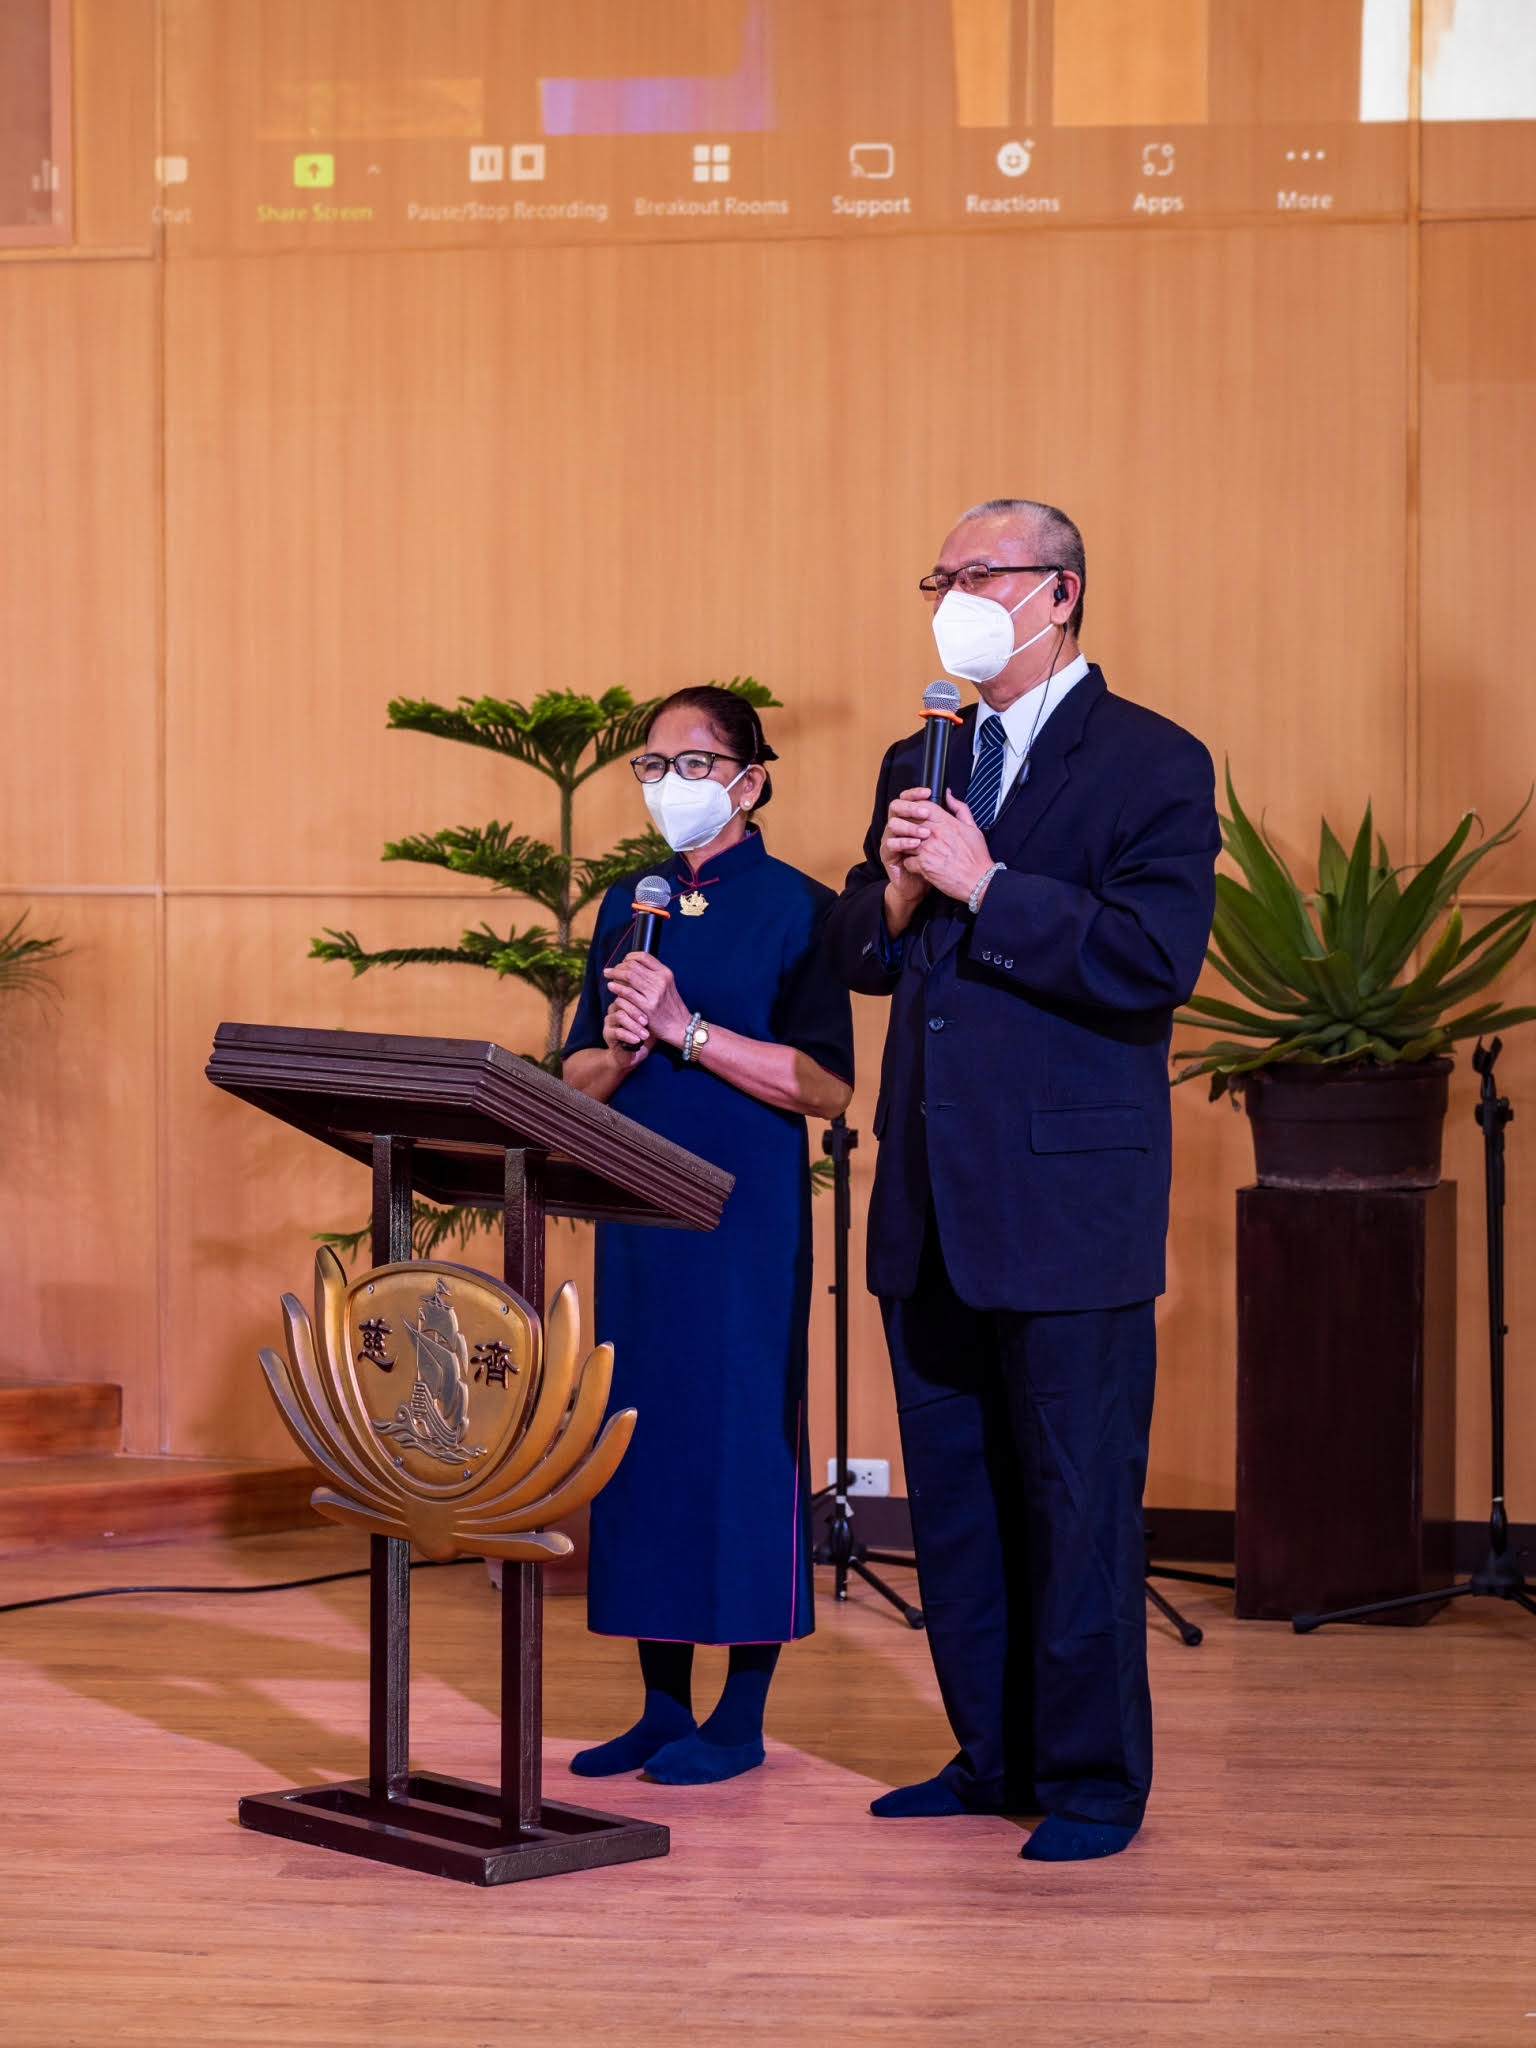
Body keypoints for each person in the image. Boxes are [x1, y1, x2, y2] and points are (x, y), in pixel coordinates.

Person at [823, 498, 1218, 1861]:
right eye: (939, 574)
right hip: (930, 1199)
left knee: (1075, 1499)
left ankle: (1096, 1782)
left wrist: (988, 884)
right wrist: (894, 892)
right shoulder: (917, 754)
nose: (951, 595)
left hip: (1067, 1206)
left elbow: (1152, 962)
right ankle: (992, 1756)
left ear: (1055, 593)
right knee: (962, 1504)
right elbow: (859, 962)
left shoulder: (1152, 760)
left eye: (976, 573)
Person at [562, 684, 854, 1786]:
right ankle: (658, 1703)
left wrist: (687, 1028)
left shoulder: (801, 908)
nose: (666, 784)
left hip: (743, 1216)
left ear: (749, 778)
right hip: (637, 1211)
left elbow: (824, 1082)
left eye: (691, 762)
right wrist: (628, 1045)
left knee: (738, 1440)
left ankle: (740, 1713)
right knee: (645, 1439)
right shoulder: (623, 909)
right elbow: (578, 1073)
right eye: (650, 765)